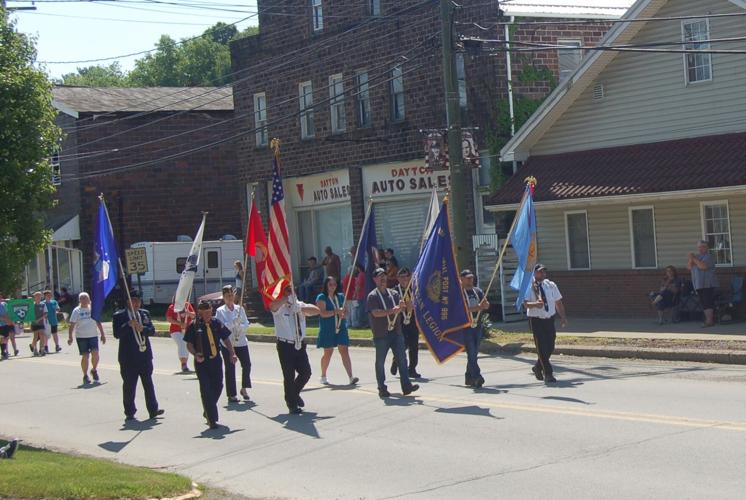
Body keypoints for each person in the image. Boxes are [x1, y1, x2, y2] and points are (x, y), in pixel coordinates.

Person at [112, 290, 164, 421]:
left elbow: (151, 330)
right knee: (129, 385)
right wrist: (128, 325)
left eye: (138, 301)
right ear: (128, 302)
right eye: (133, 300)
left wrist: (143, 329)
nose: (136, 303)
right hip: (128, 358)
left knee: (148, 383)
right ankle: (130, 411)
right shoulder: (119, 315)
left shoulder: (144, 314)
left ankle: (153, 409)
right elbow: (117, 334)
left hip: (144, 355)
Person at [366, 268, 419, 398]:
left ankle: (406, 386)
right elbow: (375, 313)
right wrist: (392, 311)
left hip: (396, 333)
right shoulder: (372, 296)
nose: (383, 279)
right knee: (380, 362)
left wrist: (404, 306)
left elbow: (402, 309)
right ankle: (382, 388)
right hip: (381, 334)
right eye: (379, 277)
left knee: (402, 359)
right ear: (375, 280)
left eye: (384, 276)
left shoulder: (394, 294)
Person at [185, 300, 237, 429]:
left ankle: (208, 409)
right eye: (205, 312)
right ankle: (212, 419)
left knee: (218, 386)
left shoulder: (216, 323)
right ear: (199, 313)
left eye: (210, 312)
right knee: (206, 390)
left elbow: (226, 338)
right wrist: (195, 354)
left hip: (216, 360)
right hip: (202, 362)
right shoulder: (194, 326)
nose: (208, 315)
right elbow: (189, 344)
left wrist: (232, 353)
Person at [270, 285, 320, 414]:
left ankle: (294, 393)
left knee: (306, 372)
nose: (291, 292)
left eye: (292, 290)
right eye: (287, 290)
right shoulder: (280, 307)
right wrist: (285, 299)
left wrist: (300, 308)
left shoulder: (299, 305)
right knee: (289, 376)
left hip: (300, 344)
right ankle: (291, 404)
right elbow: (272, 307)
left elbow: (316, 310)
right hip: (285, 345)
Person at [524, 264, 567, 384]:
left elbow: (558, 302)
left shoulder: (551, 285)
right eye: (540, 272)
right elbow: (526, 304)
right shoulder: (529, 286)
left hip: (549, 319)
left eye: (544, 272)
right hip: (536, 319)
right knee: (541, 347)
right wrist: (535, 304)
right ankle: (548, 373)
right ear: (534, 273)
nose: (543, 274)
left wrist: (563, 316)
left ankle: (538, 367)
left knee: (550, 345)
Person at [316, 276, 359, 386]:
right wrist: (336, 311)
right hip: (328, 328)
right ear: (326, 285)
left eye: (334, 284)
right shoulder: (321, 297)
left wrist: (344, 313)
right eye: (330, 284)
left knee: (344, 349)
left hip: (341, 328)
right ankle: (323, 375)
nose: (332, 286)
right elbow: (323, 313)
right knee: (328, 352)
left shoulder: (340, 297)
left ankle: (351, 377)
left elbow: (346, 312)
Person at [216, 285, 252, 403]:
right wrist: (232, 323)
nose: (230, 298)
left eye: (231, 295)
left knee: (247, 365)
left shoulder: (239, 309)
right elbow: (220, 327)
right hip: (228, 344)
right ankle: (232, 394)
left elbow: (246, 323)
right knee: (230, 368)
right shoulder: (220, 311)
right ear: (224, 297)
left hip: (241, 341)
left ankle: (244, 388)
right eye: (227, 296)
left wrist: (241, 326)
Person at [67, 292, 106, 384]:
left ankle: (94, 370)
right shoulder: (76, 311)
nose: (84, 300)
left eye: (86, 298)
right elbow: (72, 324)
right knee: (85, 356)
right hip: (81, 337)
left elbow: (98, 322)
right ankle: (85, 375)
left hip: (93, 335)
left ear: (89, 299)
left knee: (95, 354)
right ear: (79, 300)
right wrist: (70, 337)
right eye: (82, 298)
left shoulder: (93, 309)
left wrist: (103, 334)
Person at [459, 270, 489, 388]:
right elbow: (462, 310)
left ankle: (468, 376)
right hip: (466, 327)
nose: (470, 280)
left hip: (478, 325)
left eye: (471, 278)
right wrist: (478, 307)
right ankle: (477, 376)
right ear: (461, 279)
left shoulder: (478, 291)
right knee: (471, 352)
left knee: (474, 353)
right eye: (467, 278)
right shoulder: (459, 293)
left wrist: (486, 305)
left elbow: (485, 304)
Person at [390, 268, 422, 379]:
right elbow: (393, 307)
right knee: (402, 345)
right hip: (400, 322)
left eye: (406, 276)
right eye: (401, 277)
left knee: (414, 346)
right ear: (398, 278)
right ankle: (396, 361)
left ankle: (412, 368)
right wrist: (403, 307)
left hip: (413, 321)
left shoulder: (414, 290)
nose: (404, 279)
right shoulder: (394, 291)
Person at [688, 240, 719, 327]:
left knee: (708, 302)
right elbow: (689, 267)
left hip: (708, 283)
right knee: (703, 302)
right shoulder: (697, 257)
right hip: (698, 283)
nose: (700, 249)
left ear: (707, 248)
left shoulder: (709, 257)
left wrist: (693, 258)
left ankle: (710, 321)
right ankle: (707, 320)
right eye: (699, 247)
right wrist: (691, 259)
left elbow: (703, 266)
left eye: (702, 247)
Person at [166, 298, 196, 373]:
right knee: (183, 344)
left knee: (189, 345)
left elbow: (194, 316)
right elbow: (169, 319)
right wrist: (179, 323)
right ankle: (184, 364)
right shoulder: (172, 307)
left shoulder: (187, 305)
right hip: (176, 330)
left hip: (187, 330)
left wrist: (188, 312)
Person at [29, 291, 48, 357]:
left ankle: (42, 349)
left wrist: (39, 319)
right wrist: (33, 320)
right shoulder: (32, 305)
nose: (38, 297)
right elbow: (29, 314)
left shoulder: (43, 304)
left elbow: (45, 313)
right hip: (34, 323)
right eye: (37, 296)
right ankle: (34, 348)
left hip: (41, 322)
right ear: (34, 297)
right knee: (36, 336)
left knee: (42, 335)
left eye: (40, 296)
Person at [0, 295, 13, 360]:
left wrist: (9, 321)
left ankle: (3, 352)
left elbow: (6, 314)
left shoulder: (2, 306)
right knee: (2, 338)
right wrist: (3, 318)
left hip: (4, 324)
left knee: (5, 338)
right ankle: (3, 352)